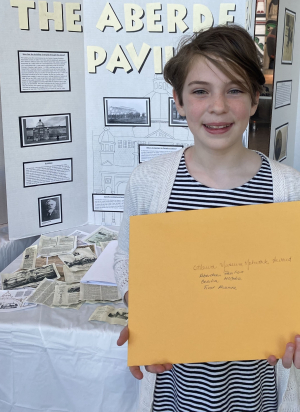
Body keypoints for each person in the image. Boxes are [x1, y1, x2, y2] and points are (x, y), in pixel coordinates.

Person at [114, 24, 300, 412]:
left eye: (234, 90)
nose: (217, 106)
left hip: (257, 391)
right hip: (173, 391)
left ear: (254, 100)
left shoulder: (288, 190)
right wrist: (146, 313)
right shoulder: (148, 182)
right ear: (179, 101)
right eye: (201, 91)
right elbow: (127, 260)